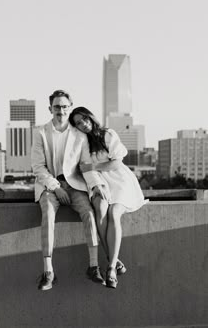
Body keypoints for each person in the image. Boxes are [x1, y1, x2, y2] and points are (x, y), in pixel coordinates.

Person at [31, 90, 106, 291]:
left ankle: (93, 266)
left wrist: (96, 185)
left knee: (89, 213)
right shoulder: (40, 133)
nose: (61, 110)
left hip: (74, 184)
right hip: (49, 184)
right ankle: (48, 272)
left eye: (64, 107)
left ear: (69, 108)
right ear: (50, 109)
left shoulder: (80, 136)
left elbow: (86, 165)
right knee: (47, 212)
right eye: (57, 107)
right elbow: (38, 167)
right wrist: (55, 187)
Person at [69, 107, 149, 289]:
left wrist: (93, 166)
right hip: (100, 182)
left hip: (119, 180)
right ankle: (114, 258)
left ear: (91, 117)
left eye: (85, 119)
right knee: (101, 210)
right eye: (79, 123)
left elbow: (116, 162)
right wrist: (94, 178)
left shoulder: (107, 135)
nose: (84, 124)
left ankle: (111, 268)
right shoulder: (81, 143)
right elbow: (82, 168)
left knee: (114, 213)